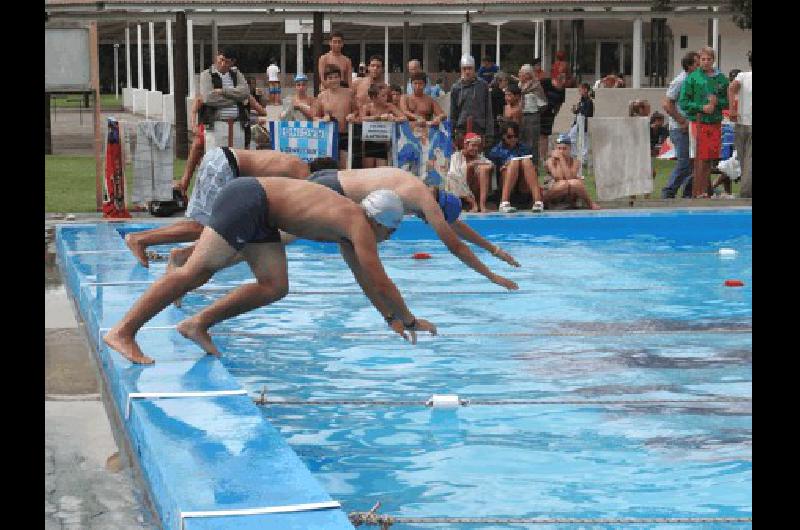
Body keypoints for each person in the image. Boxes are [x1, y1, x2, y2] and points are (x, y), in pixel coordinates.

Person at [105, 178, 437, 364]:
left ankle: (197, 323)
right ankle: (123, 331)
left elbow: (366, 281)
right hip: (249, 200)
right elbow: (381, 280)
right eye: (390, 233)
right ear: (382, 224)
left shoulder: (352, 229)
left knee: (275, 285)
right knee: (196, 273)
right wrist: (408, 319)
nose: (387, 240)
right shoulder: (359, 227)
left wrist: (389, 319)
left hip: (262, 213)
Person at [305, 161, 521, 288]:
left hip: (328, 177)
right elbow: (456, 246)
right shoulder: (426, 201)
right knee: (287, 231)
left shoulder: (419, 187)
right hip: (333, 192)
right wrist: (492, 277)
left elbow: (455, 225)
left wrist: (494, 250)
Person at [124, 148, 310, 269]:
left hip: (222, 160)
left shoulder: (294, 164)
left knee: (211, 227)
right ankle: (141, 239)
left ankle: (169, 250)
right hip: (226, 166)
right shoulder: (303, 173)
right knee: (204, 227)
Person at [679, 46, 729, 198]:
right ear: (699, 61)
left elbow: (727, 101)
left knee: (709, 158)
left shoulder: (721, 78)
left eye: (709, 59)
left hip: (715, 122)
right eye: (703, 59)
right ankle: (697, 191)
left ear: (713, 60)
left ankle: (705, 191)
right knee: (700, 157)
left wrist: (717, 102)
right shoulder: (692, 78)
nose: (706, 62)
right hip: (699, 123)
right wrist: (701, 107)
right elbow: (683, 102)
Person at [661, 51, 700, 199]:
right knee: (684, 163)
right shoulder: (680, 81)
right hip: (680, 128)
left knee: (693, 163)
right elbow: (667, 103)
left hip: (691, 127)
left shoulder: (694, 80)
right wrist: (681, 121)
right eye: (697, 64)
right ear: (689, 66)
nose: (700, 66)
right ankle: (668, 192)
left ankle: (688, 193)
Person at [198, 48, 250, 151]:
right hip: (216, 124)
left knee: (237, 158)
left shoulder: (236, 74)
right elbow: (208, 98)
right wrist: (236, 99)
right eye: (221, 60)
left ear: (232, 62)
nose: (222, 64)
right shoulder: (206, 75)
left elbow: (245, 92)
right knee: (215, 158)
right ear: (217, 57)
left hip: (237, 124)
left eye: (226, 62)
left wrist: (223, 91)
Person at [489, 122, 543, 213]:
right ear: (503, 136)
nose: (513, 139)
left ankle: (538, 201)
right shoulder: (495, 151)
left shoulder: (525, 148)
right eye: (510, 136)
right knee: (513, 162)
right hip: (504, 182)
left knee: (526, 161)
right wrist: (503, 166)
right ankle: (504, 202)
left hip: (523, 183)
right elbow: (492, 173)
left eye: (516, 136)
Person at [315, 64, 358, 169]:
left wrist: (353, 114)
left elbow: (357, 110)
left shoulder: (349, 93)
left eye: (336, 77)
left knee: (344, 166)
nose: (333, 80)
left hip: (345, 134)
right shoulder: (321, 96)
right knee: (329, 166)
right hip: (328, 136)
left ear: (340, 78)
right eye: (330, 78)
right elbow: (315, 117)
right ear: (325, 80)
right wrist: (322, 120)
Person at [543, 134, 600, 210]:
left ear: (570, 149)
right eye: (559, 148)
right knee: (563, 184)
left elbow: (570, 177)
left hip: (569, 192)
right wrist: (560, 159)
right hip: (555, 192)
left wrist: (561, 159)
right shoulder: (550, 161)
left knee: (575, 183)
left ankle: (590, 203)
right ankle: (543, 203)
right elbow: (558, 178)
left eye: (564, 148)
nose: (561, 151)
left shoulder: (576, 162)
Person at [449, 54, 494, 148]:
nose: (467, 71)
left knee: (479, 158)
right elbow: (453, 113)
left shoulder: (483, 85)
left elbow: (488, 110)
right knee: (463, 159)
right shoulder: (456, 87)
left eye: (469, 68)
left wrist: (489, 134)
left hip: (479, 128)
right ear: (461, 70)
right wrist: (451, 135)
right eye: (464, 69)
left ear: (474, 69)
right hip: (462, 129)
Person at [359, 83, 407, 168]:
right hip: (369, 143)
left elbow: (404, 118)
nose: (386, 98)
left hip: (384, 144)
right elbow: (361, 119)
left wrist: (393, 119)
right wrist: (378, 118)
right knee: (368, 172)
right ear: (374, 97)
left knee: (382, 172)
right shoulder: (367, 107)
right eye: (383, 96)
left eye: (386, 95)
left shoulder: (389, 106)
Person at [446, 132, 494, 212]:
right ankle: (472, 203)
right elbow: (454, 174)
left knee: (483, 169)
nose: (476, 148)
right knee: (451, 176)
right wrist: (469, 166)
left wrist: (476, 164)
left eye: (477, 146)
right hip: (460, 190)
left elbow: (491, 164)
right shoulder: (456, 156)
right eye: (473, 145)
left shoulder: (479, 157)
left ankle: (482, 205)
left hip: (474, 188)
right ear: (466, 145)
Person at [728, 51, 751, 198]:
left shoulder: (742, 76)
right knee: (748, 160)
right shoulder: (742, 76)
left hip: (741, 122)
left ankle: (746, 190)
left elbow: (731, 88)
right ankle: (746, 191)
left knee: (744, 159)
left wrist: (732, 110)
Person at [518, 64, 546, 157]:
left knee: (532, 142)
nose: (519, 75)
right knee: (521, 140)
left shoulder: (536, 85)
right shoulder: (519, 85)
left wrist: (535, 112)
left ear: (528, 75)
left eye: (521, 73)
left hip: (532, 116)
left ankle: (534, 164)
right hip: (521, 115)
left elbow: (543, 103)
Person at [568, 82, 594, 164]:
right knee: (571, 138)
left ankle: (584, 159)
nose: (579, 91)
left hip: (584, 124)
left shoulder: (589, 101)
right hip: (578, 123)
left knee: (584, 141)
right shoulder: (581, 100)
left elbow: (588, 114)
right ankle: (575, 155)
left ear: (585, 90)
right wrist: (575, 111)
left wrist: (580, 111)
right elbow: (579, 111)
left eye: (581, 89)